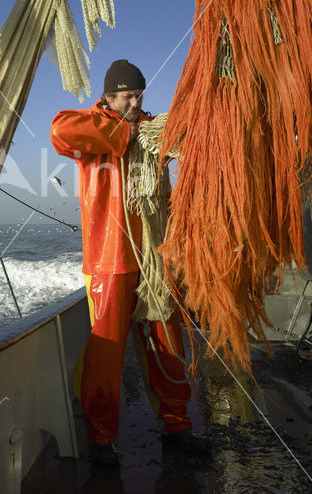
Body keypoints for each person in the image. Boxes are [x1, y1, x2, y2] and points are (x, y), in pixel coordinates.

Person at [51, 59, 210, 467]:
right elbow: (58, 130)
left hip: (155, 255)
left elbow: (191, 134)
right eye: (127, 96)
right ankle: (101, 437)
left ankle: (176, 424)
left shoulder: (153, 127)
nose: (136, 102)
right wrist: (125, 130)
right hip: (109, 260)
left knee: (167, 341)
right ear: (108, 97)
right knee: (106, 352)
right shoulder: (93, 127)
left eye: (139, 95)